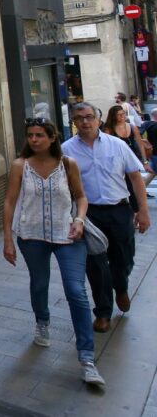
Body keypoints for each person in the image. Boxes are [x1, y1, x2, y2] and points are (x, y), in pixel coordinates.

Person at [2, 117, 105, 386]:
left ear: (52, 137)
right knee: (39, 284)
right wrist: (8, 240)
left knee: (76, 291)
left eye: (39, 135)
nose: (34, 140)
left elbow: (81, 197)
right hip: (31, 235)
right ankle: (42, 321)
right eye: (30, 135)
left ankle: (87, 357)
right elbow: (10, 202)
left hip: (68, 234)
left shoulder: (67, 164)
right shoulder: (20, 166)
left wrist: (80, 219)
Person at [64, 103, 151, 332]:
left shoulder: (117, 145)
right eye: (79, 118)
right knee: (95, 264)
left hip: (119, 210)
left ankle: (120, 286)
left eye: (89, 117)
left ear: (98, 119)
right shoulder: (66, 150)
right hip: (89, 213)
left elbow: (135, 177)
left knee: (124, 258)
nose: (85, 122)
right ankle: (103, 312)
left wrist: (143, 210)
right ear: (74, 121)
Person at [102, 105, 147, 174]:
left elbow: (140, 145)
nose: (122, 116)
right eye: (119, 114)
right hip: (117, 162)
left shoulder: (132, 127)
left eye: (123, 113)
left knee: (134, 182)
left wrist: (145, 161)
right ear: (113, 116)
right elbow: (106, 148)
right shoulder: (109, 129)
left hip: (132, 160)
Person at [141, 109, 157, 192]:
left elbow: (139, 135)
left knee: (152, 173)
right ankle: (139, 191)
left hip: (151, 152)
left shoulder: (146, 124)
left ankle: (140, 190)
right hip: (154, 153)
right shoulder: (154, 125)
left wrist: (146, 143)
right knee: (152, 173)